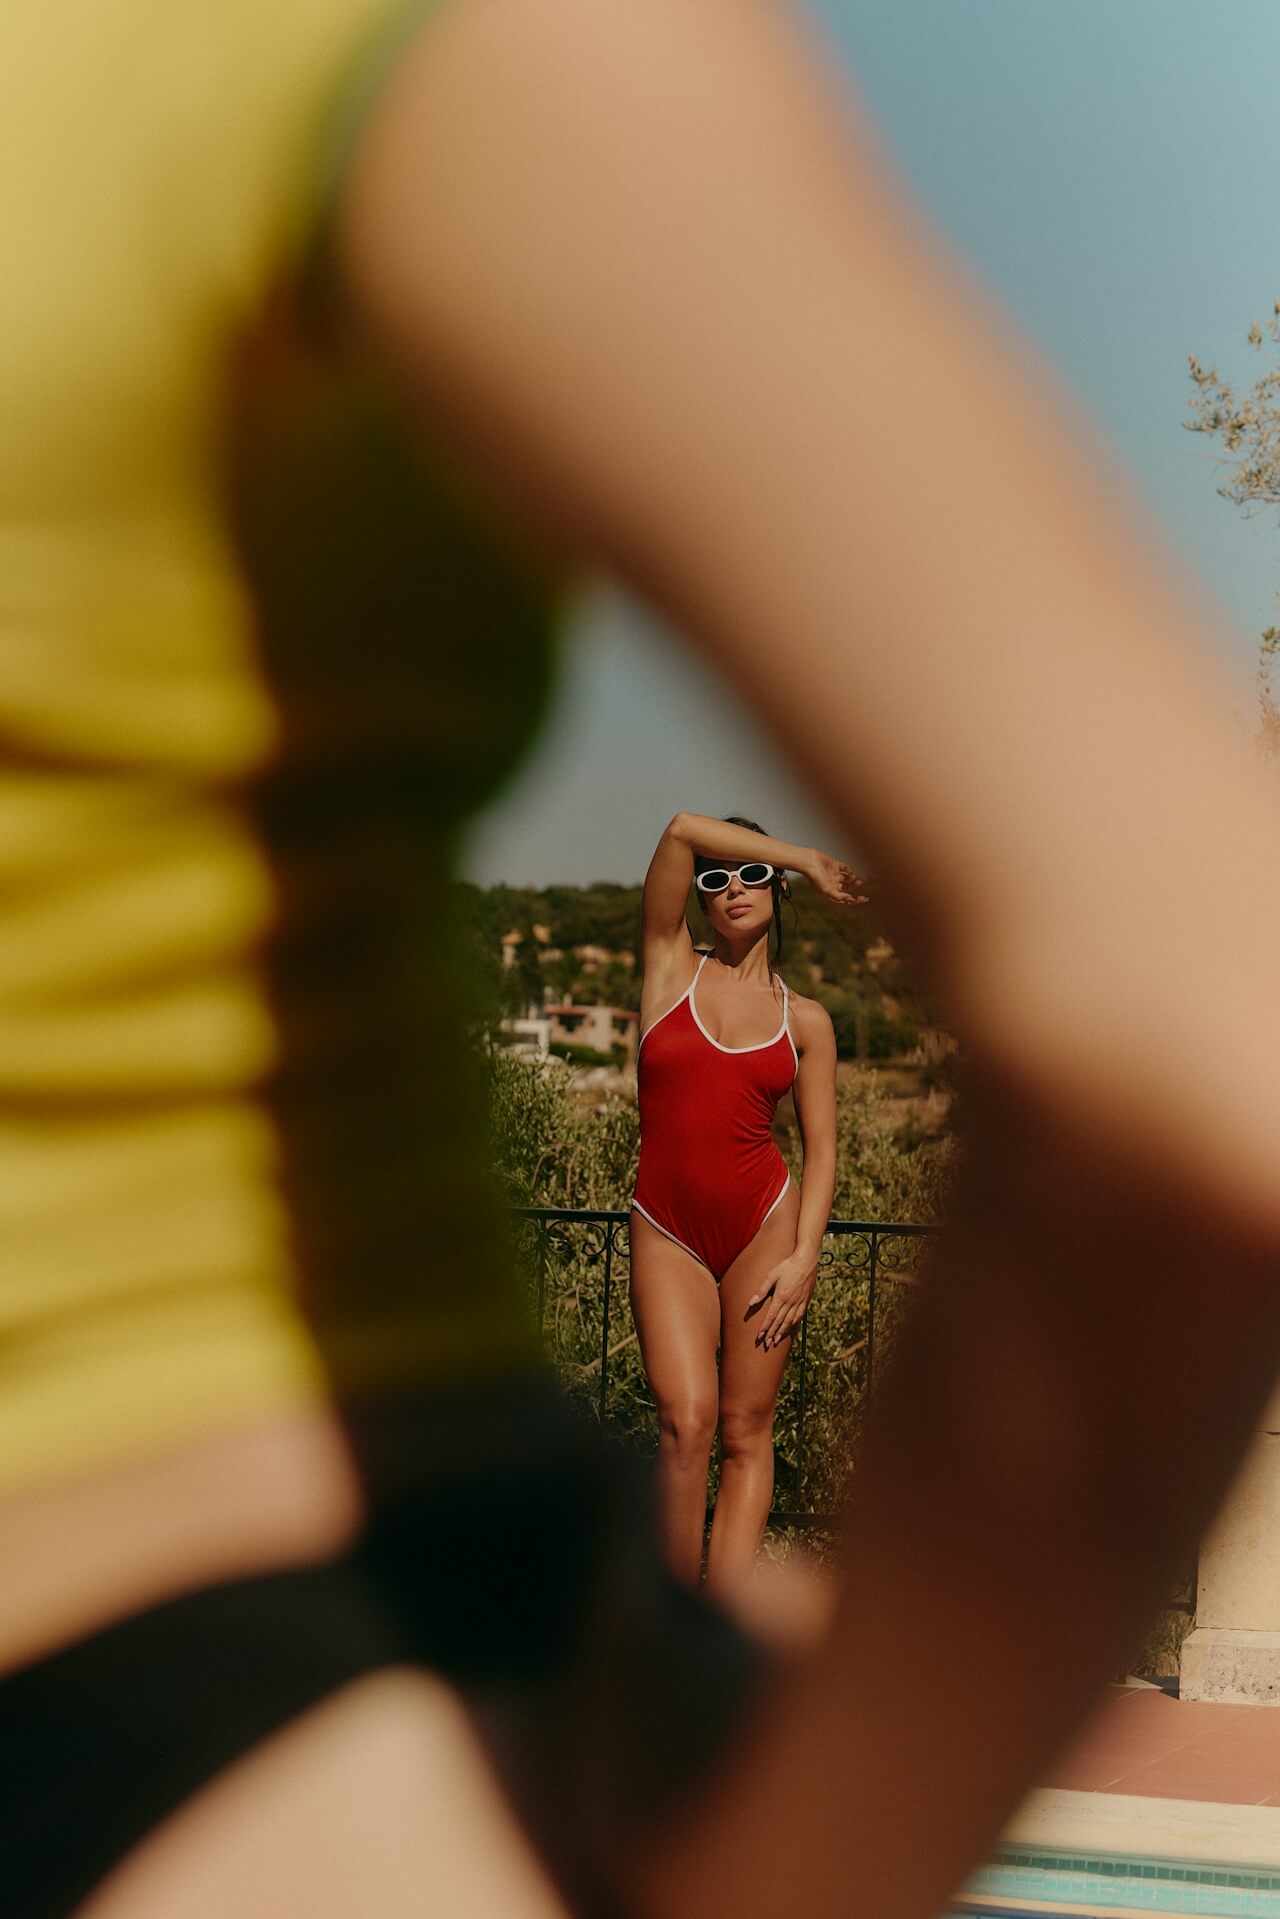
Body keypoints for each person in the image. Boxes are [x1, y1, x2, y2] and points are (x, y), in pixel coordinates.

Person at [4, 2, 1280, 1917]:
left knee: (744, 1423)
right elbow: (704, 858)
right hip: (301, 1601)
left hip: (184, 1705)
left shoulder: (422, 48)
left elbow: (1190, 1034)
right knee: (694, 1424)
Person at [630, 812, 859, 1598]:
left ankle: (714, 1636)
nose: (733, 887)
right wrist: (800, 856)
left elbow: (822, 1150)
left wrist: (805, 1258)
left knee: (742, 1431)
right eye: (717, 878)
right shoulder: (667, 968)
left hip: (767, 1228)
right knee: (685, 1422)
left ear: (776, 895)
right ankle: (668, 1624)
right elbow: (683, 830)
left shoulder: (808, 1023)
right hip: (666, 1228)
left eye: (753, 875)